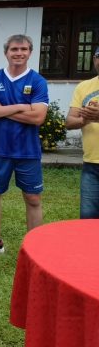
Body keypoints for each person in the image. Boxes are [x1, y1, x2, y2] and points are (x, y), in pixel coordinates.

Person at [0, 34, 48, 254]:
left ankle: (34, 245)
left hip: (27, 150)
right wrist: (22, 107)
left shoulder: (37, 81)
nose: (19, 53)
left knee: (33, 197)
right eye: (14, 49)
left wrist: (2, 109)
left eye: (24, 49)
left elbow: (38, 118)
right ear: (6, 52)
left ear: (30, 52)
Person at [66, 46, 99, 219]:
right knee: (88, 219)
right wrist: (84, 119)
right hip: (91, 165)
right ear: (94, 60)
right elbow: (69, 122)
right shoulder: (84, 87)